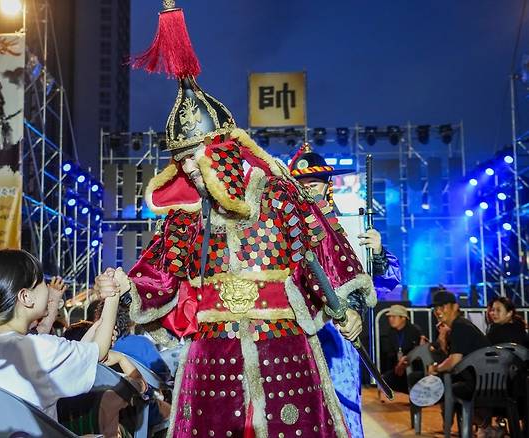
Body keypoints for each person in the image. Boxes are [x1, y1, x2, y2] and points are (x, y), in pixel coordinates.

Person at [123, 3, 376, 436]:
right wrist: (124, 287)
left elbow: (321, 250)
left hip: (283, 341)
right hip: (212, 351)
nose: (188, 173)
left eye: (195, 160)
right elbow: (156, 275)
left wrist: (345, 305)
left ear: (222, 154)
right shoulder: (186, 216)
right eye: (182, 164)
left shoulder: (279, 193)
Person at [287, 144, 401, 437]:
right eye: (301, 186)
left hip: (340, 333)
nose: (307, 191)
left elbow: (389, 284)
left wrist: (377, 254)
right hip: (295, 333)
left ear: (327, 187)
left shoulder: (350, 229)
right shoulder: (283, 231)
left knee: (343, 413)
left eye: (313, 185)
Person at [0, 249, 128, 420]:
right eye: (42, 282)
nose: (48, 288)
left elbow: (84, 352)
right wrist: (113, 294)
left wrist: (99, 324)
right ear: (26, 297)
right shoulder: (40, 348)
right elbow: (98, 352)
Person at [427, 290, 490, 399]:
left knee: (433, 387)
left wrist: (435, 368)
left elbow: (453, 361)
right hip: (479, 379)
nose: (438, 311)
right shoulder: (458, 326)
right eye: (435, 308)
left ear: (455, 307)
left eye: (442, 307)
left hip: (482, 383)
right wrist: (442, 340)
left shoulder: (460, 326)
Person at [379, 305, 423, 393]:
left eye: (394, 317)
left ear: (403, 318)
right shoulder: (390, 332)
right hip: (398, 367)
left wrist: (404, 362)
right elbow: (390, 354)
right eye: (390, 317)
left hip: (413, 365)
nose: (390, 319)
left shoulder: (414, 331)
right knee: (385, 379)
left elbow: (418, 352)